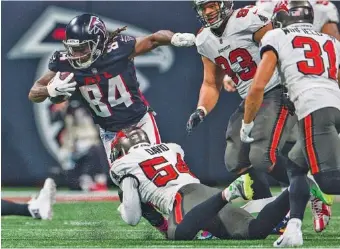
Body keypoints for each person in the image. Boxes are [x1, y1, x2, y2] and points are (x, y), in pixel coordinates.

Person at [185, 0, 329, 232]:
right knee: (236, 161)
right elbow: (211, 82)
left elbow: (284, 47)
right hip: (250, 98)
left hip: (275, 90)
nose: (209, 11)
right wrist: (201, 110)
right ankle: (268, 207)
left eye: (212, 5)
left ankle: (309, 188)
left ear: (225, 4)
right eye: (204, 7)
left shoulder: (248, 19)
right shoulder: (204, 39)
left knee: (262, 156)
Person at [241, 1, 340, 246]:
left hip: (314, 108)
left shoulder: (276, 35)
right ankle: (294, 227)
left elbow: (257, 87)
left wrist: (247, 124)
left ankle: (295, 227)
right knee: (296, 166)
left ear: (283, 17)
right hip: (333, 104)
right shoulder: (331, 41)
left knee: (328, 181)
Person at [110, 128, 292, 240]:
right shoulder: (170, 148)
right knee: (254, 231)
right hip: (205, 194)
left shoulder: (124, 166)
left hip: (183, 198)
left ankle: (227, 194)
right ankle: (297, 188)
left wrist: (123, 207)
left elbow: (132, 218)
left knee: (179, 234)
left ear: (122, 150)